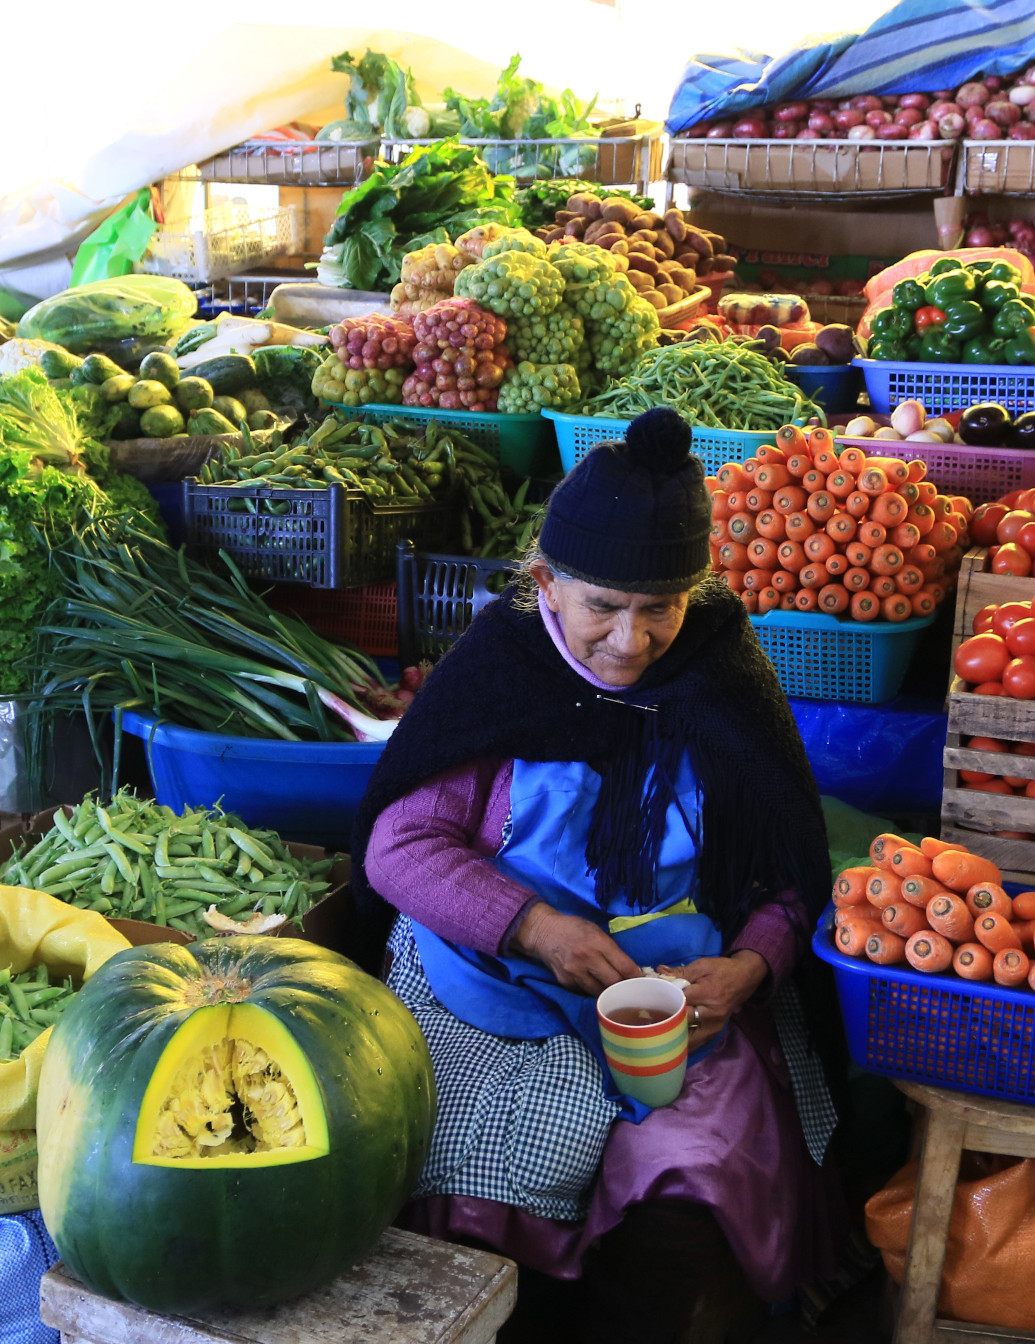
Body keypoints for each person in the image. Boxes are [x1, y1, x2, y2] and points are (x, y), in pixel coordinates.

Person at [355, 408, 841, 1343]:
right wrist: (536, 926)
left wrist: (752, 968)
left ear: (693, 594)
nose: (629, 641)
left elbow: (784, 869)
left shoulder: (722, 675)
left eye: (658, 609)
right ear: (546, 581)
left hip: (677, 995)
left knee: (691, 1188)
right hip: (491, 980)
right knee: (472, 1169)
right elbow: (400, 847)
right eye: (602, 607)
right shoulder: (501, 670)